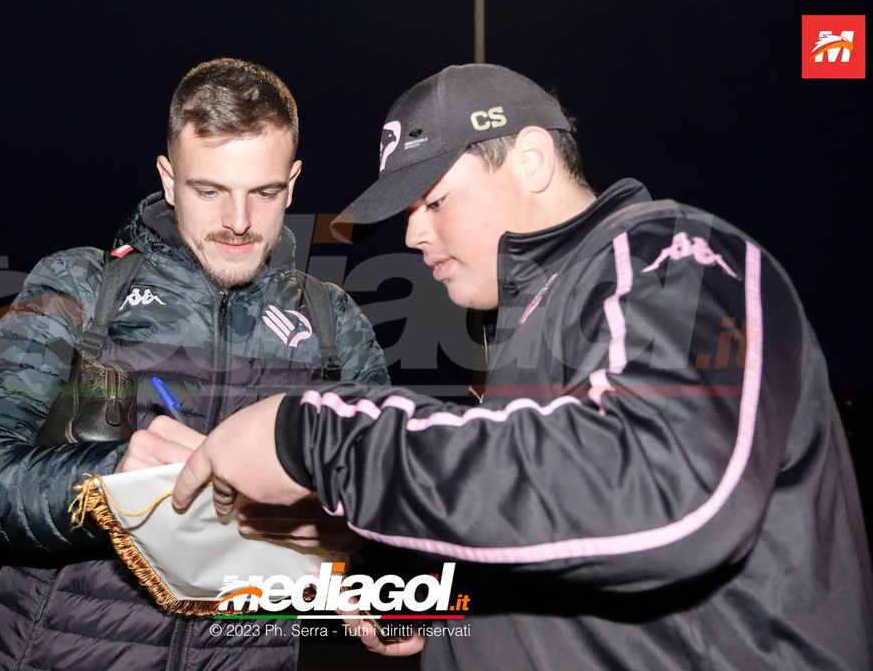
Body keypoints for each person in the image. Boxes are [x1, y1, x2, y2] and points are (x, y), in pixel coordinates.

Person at [171, 63, 873, 669]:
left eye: (433, 200)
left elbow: (667, 494)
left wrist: (313, 436)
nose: (413, 233)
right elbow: (553, 541)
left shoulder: (676, 260)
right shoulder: (530, 331)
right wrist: (414, 586)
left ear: (531, 160)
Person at [0, 57, 389, 670]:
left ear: (294, 182)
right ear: (168, 180)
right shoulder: (80, 286)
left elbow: (391, 495)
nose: (239, 222)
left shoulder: (336, 323)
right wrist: (108, 483)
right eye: (210, 190)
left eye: (265, 192)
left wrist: (369, 576)